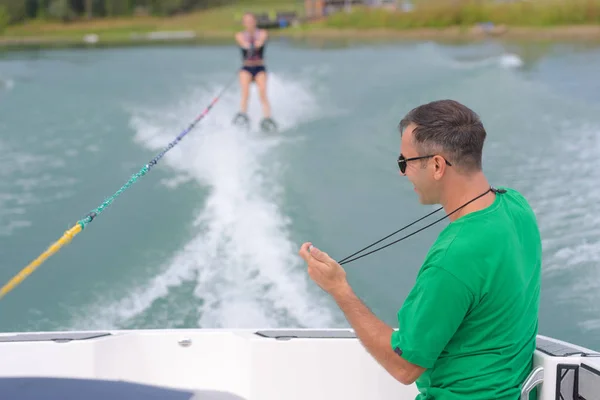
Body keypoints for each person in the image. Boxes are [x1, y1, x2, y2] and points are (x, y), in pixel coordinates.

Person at [298, 99, 542, 399]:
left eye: (405, 162)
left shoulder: (454, 257)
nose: (403, 173)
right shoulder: (517, 207)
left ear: (438, 165)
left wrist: (339, 290)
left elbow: (404, 366)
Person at [232, 12, 277, 132]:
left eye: (251, 21)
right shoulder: (239, 35)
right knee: (245, 92)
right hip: (246, 68)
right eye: (246, 21)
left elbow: (261, 41)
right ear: (243, 23)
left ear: (255, 22)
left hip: (259, 67)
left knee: (262, 93)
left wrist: (256, 44)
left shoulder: (262, 33)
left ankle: (267, 117)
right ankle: (243, 114)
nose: (249, 23)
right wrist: (248, 45)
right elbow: (243, 43)